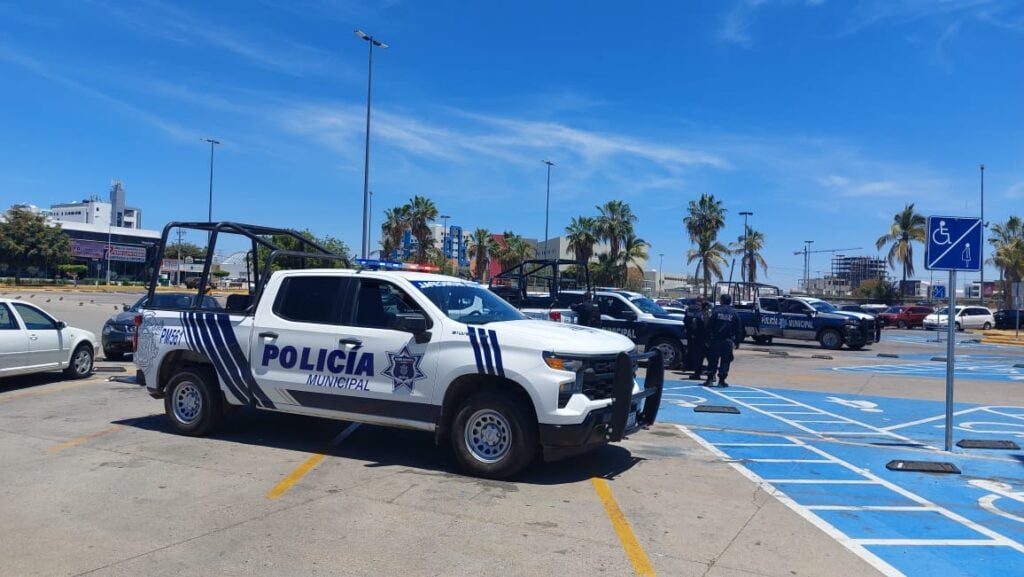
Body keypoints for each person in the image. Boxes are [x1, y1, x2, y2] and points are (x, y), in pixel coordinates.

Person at [705, 293, 744, 388]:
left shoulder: (716, 311)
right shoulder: (734, 313)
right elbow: (738, 328)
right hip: (727, 342)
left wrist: (707, 339)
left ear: (721, 301)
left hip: (715, 340)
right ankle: (722, 380)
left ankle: (710, 379)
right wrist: (737, 342)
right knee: (725, 361)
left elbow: (709, 326)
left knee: (713, 360)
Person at [685, 297, 709, 379]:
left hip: (697, 338)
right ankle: (712, 375)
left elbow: (690, 324)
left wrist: (692, 334)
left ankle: (695, 372)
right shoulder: (711, 314)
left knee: (697, 356)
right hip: (709, 339)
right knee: (710, 357)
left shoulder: (691, 310)